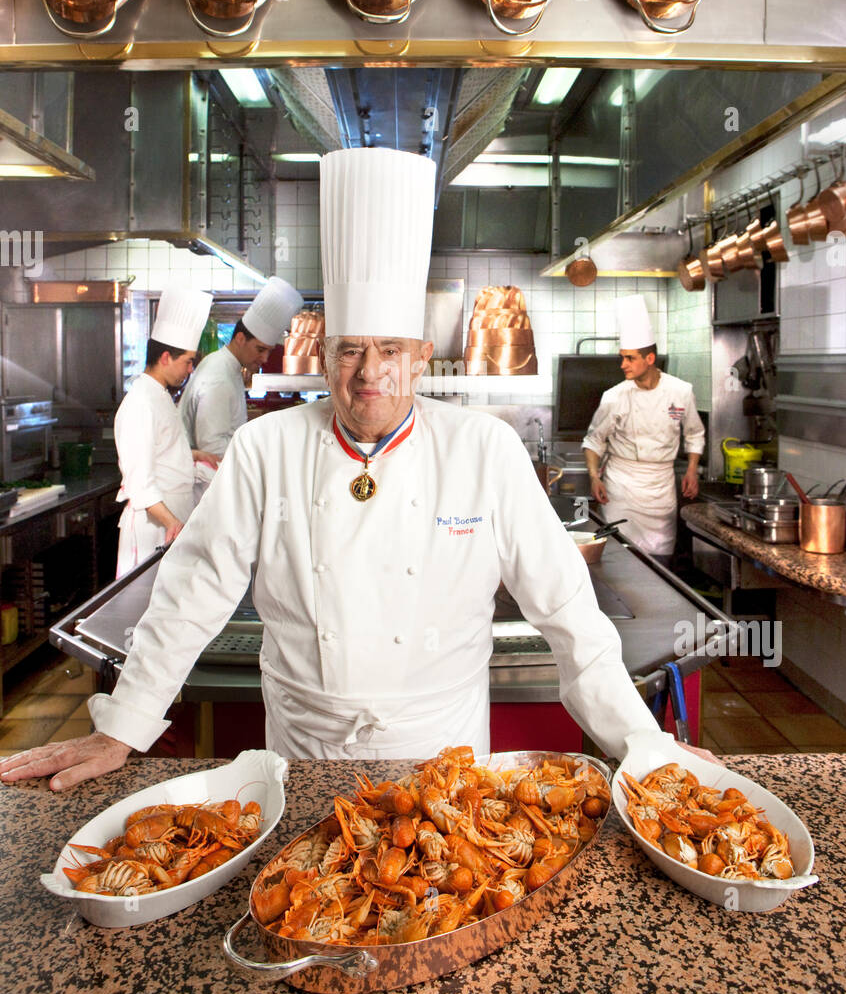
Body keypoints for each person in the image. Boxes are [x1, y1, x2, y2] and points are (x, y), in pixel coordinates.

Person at [0, 150, 714, 792]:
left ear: (421, 353)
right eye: (347, 351)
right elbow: (191, 592)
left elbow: (569, 613)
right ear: (324, 354)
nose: (369, 372)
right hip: (306, 758)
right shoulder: (265, 450)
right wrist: (123, 724)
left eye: (390, 350)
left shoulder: (482, 450)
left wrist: (643, 742)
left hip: (446, 764)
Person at [582, 295, 705, 563]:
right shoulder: (614, 396)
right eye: (622, 357)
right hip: (622, 487)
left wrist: (693, 470)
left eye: (629, 358)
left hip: (661, 488)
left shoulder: (681, 391)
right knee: (620, 557)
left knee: (661, 559)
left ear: (649, 358)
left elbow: (695, 433)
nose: (622, 365)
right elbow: (594, 441)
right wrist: (594, 476)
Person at [113, 285, 219, 576]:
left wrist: (195, 454)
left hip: (172, 521)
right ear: (165, 358)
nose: (189, 370)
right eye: (187, 361)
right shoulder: (140, 403)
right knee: (143, 612)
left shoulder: (158, 395)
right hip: (153, 529)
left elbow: (161, 449)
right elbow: (140, 483)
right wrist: (172, 522)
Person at [179, 277, 303, 458]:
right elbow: (212, 446)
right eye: (260, 349)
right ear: (240, 338)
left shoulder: (226, 365)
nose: (265, 358)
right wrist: (259, 456)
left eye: (268, 351)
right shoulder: (218, 376)